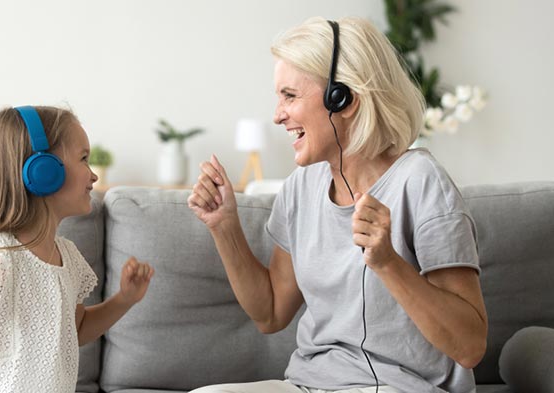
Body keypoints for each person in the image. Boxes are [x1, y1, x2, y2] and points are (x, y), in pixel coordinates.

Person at [188, 17, 487, 393]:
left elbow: (470, 345)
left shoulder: (421, 181)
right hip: (308, 385)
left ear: (342, 99)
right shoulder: (301, 187)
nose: (277, 114)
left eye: (289, 96)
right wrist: (224, 226)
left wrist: (388, 262)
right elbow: (270, 313)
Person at [0, 106, 155, 392]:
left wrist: (125, 299)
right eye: (83, 159)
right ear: (43, 171)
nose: (93, 175)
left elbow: (77, 329)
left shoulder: (68, 257)